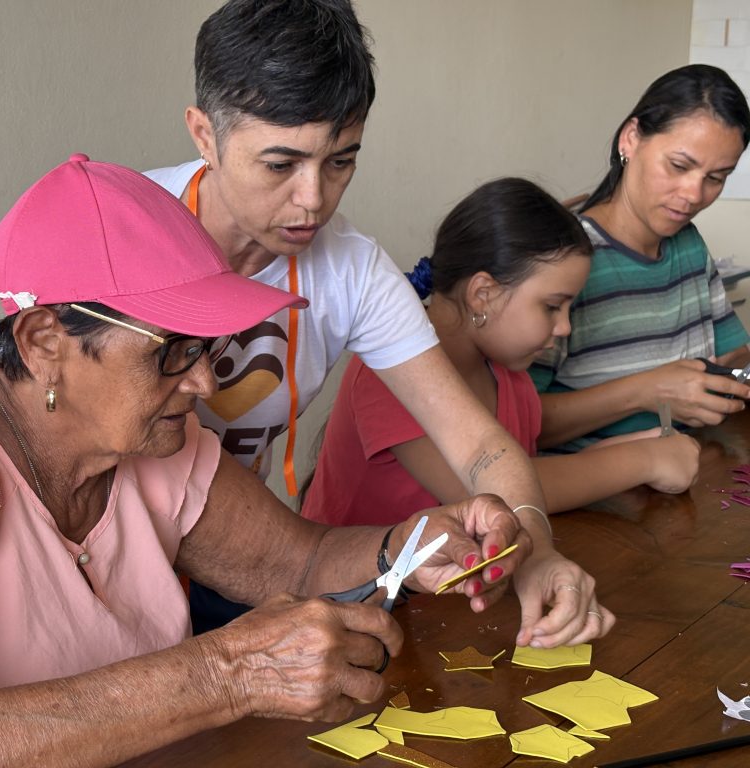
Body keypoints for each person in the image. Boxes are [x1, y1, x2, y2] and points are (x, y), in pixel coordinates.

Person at [0, 154, 548, 768]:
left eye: (209, 349)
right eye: (174, 351)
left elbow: (303, 561)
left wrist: (406, 546)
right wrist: (225, 673)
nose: (205, 383)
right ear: (44, 343)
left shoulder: (154, 443)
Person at [146, 0, 600, 635]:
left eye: (341, 161)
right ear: (204, 136)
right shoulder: (125, 230)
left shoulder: (353, 271)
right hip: (109, 562)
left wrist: (536, 548)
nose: (314, 200)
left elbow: (480, 445)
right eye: (280, 164)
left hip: (238, 551)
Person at [302, 178, 699, 538]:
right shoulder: (387, 373)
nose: (564, 327)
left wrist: (605, 455)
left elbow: (521, 466)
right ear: (483, 294)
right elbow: (495, 494)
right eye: (552, 307)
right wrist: (642, 460)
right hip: (361, 587)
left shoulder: (508, 373)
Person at [530, 64, 750, 452]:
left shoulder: (688, 245)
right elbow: (515, 423)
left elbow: (734, 357)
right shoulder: (564, 259)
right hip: (590, 486)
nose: (694, 194)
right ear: (631, 139)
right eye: (679, 166)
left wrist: (734, 374)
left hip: (685, 470)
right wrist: (645, 392)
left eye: (716, 177)